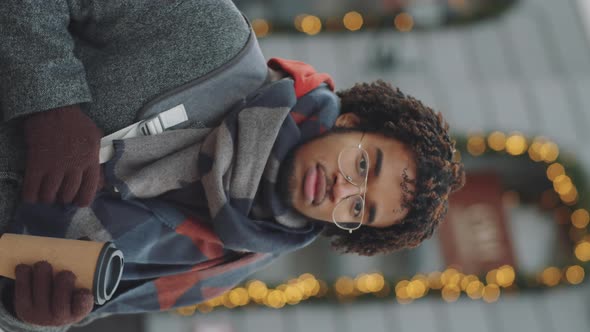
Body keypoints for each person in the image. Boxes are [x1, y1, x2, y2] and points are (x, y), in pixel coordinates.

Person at [0, 0, 465, 330]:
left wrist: (33, 318)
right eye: (365, 165)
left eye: (360, 208)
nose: (344, 191)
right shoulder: (214, 38)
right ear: (351, 121)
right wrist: (51, 104)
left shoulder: (226, 265)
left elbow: (66, 309)